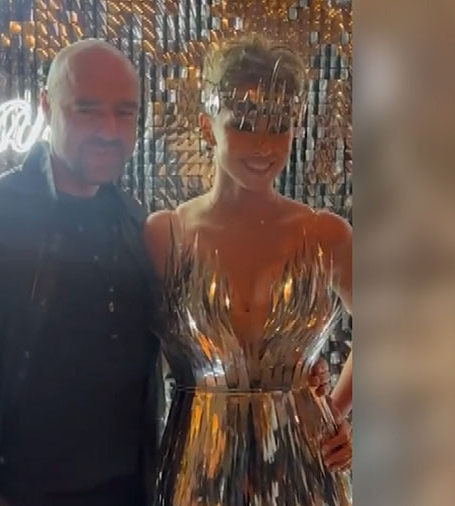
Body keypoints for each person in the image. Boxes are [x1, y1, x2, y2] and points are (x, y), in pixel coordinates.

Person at [0, 38, 333, 506]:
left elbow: (192, 345)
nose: (108, 129)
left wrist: (293, 369)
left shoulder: (137, 226)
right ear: (46, 106)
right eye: (87, 110)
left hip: (131, 492)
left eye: (124, 112)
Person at [144, 34, 353, 504]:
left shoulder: (326, 235)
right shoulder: (165, 235)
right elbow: (129, 361)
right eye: (242, 124)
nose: (263, 144)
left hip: (304, 468)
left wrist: (336, 411)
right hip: (197, 466)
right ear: (207, 128)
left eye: (278, 126)